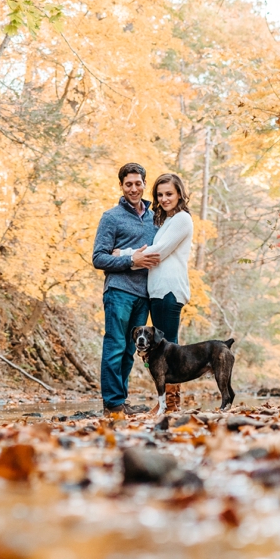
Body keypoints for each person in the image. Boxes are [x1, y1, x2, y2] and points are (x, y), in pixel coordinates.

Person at [113, 172, 194, 410]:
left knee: (168, 350)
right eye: (160, 195)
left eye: (169, 194)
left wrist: (125, 254)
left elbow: (158, 251)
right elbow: (154, 248)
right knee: (161, 351)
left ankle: (170, 404)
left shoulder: (181, 219)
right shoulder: (167, 220)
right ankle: (166, 403)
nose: (164, 199)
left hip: (169, 290)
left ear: (179, 193)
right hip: (158, 291)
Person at [92, 163, 160, 417]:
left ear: (144, 184)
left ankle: (120, 401)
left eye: (138, 183)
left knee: (130, 351)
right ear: (121, 186)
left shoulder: (156, 218)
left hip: (144, 294)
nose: (134, 188)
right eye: (128, 184)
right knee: (116, 346)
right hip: (119, 291)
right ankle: (112, 404)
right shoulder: (111, 217)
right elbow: (98, 258)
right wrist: (131, 261)